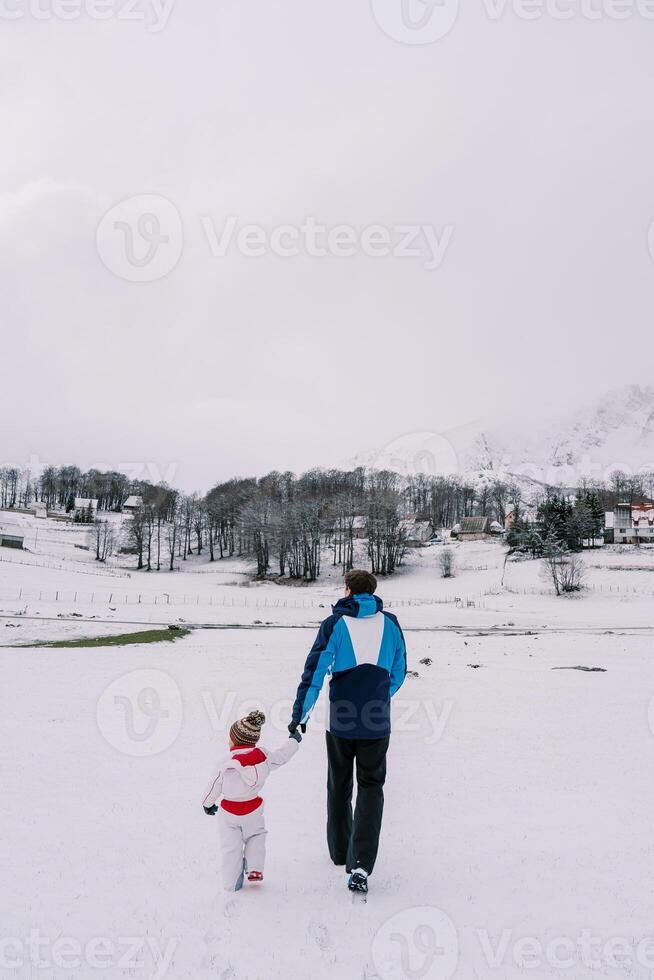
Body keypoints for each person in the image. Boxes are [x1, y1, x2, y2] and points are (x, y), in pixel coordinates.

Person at [289, 569, 407, 895]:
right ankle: (360, 864)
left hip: (340, 722)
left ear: (347, 590)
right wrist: (378, 698)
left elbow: (313, 673)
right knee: (371, 788)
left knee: (338, 784)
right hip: (376, 722)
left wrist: (300, 716)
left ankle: (341, 851)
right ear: (373, 591)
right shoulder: (392, 624)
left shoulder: (335, 624)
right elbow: (398, 671)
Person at [202, 709, 301, 891]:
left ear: (235, 740)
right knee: (256, 836)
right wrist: (293, 740)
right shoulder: (263, 757)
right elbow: (282, 756)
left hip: (229, 813)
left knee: (231, 847)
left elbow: (214, 785)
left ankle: (231, 883)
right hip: (253, 810)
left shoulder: (226, 762)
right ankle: (255, 868)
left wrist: (207, 804)